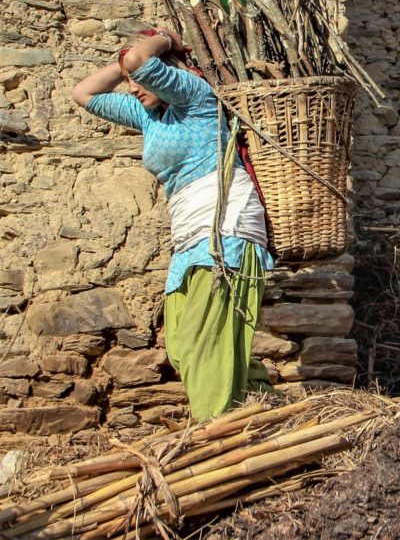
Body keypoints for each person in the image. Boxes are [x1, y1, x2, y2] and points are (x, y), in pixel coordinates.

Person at [71, 27, 273, 419]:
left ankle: (213, 433)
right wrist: (123, 67)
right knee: (183, 346)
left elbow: (138, 61)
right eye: (129, 82)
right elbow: (83, 94)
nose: (133, 88)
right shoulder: (150, 116)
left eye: (140, 80)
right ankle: (263, 405)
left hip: (225, 230)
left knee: (207, 344)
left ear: (169, 73)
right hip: (188, 239)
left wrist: (165, 39)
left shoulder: (196, 100)